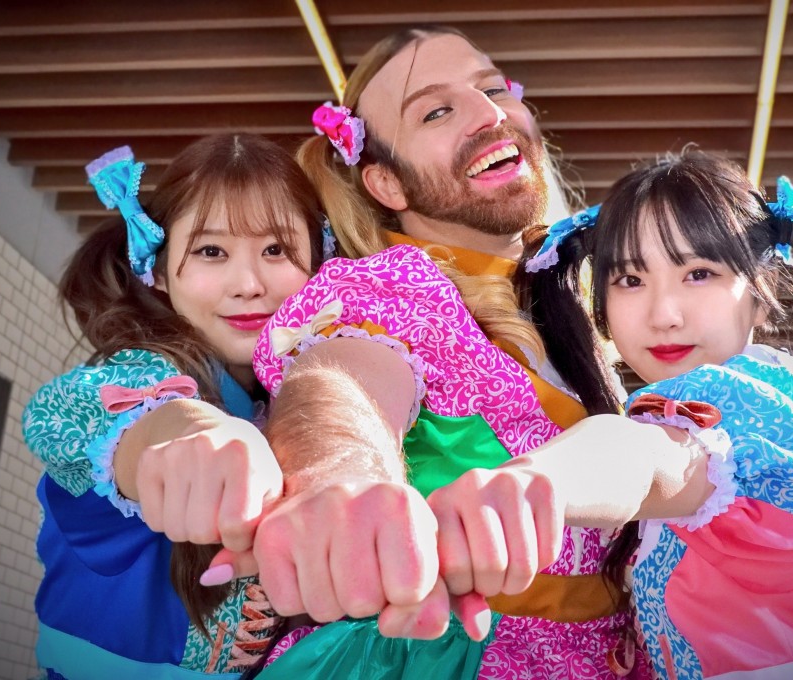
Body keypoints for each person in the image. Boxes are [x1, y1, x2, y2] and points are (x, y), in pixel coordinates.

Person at [220, 24, 655, 680]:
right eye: (438, 110)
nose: (490, 115)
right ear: (388, 184)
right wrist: (340, 479)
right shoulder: (391, 288)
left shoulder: (586, 313)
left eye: (491, 88)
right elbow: (341, 382)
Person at [433, 149, 793, 678]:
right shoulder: (783, 400)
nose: (664, 314)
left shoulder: (742, 403)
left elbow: (650, 456)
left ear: (761, 297)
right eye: (631, 280)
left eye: (699, 273)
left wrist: (533, 482)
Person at [21, 134, 334, 677]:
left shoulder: (315, 401)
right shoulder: (133, 375)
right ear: (159, 272)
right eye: (211, 251)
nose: (248, 284)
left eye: (277, 250)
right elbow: (65, 414)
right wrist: (185, 434)